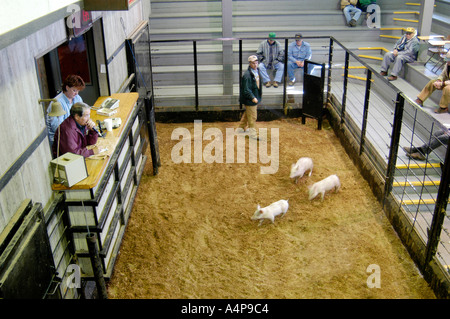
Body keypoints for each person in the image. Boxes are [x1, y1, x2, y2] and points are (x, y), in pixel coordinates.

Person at [46, 74, 85, 146]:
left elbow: (83, 114)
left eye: (78, 91)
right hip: (61, 139)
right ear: (67, 87)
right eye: (74, 90)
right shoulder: (57, 103)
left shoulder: (77, 98)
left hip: (73, 133)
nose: (76, 93)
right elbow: (58, 128)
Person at [238, 55, 262, 139]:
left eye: (256, 63)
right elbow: (246, 90)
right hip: (250, 99)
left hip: (254, 97)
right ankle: (254, 135)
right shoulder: (247, 75)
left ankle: (240, 129)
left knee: (248, 114)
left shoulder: (257, 71)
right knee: (252, 117)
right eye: (253, 63)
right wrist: (253, 98)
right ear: (249, 63)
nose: (255, 65)